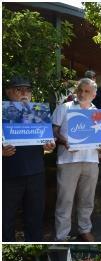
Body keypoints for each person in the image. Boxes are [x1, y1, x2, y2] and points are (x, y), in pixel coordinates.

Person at [51, 77, 101, 242]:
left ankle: (84, 230)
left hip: (91, 160)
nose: (82, 93)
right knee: (64, 200)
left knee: (87, 200)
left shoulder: (98, 112)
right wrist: (63, 141)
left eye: (87, 91)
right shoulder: (64, 108)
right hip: (68, 161)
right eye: (80, 90)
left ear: (94, 94)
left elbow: (100, 138)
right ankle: (61, 236)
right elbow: (53, 132)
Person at [3, 76, 55, 242]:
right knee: (5, 219)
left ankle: (34, 254)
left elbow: (47, 141)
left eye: (28, 89)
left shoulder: (39, 112)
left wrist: (49, 145)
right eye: (19, 89)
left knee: (35, 218)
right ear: (8, 92)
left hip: (36, 173)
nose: (24, 93)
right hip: (8, 175)